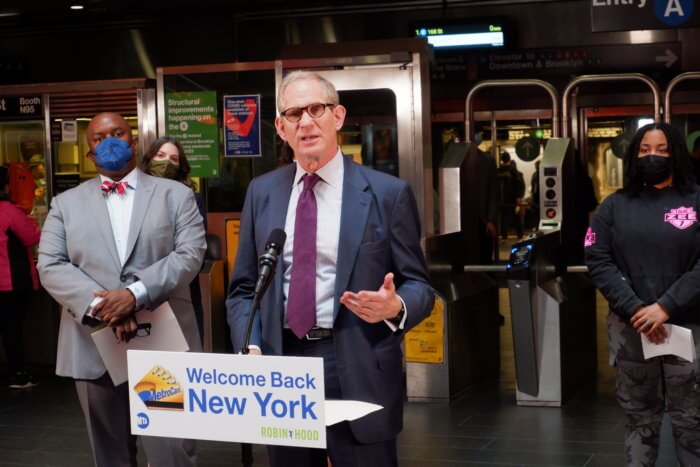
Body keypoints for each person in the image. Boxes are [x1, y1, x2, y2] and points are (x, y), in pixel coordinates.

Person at [226, 71, 434, 467]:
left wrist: (395, 307)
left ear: (337, 116)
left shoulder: (387, 194)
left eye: (316, 109)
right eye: (294, 114)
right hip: (281, 365)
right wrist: (250, 344)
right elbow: (244, 289)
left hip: (356, 361)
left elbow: (419, 285)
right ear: (281, 128)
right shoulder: (262, 192)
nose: (305, 122)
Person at [37, 112, 206, 467]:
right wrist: (105, 308)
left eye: (118, 133)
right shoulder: (65, 204)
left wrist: (134, 295)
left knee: (171, 453)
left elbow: (190, 254)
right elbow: (50, 264)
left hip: (163, 345)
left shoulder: (176, 195)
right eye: (99, 138)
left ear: (134, 142)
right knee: (110, 456)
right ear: (89, 153)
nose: (109, 142)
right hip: (92, 346)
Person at [585, 122, 700, 466]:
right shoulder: (614, 206)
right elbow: (597, 258)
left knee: (690, 420)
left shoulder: (696, 199)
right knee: (640, 420)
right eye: (645, 150)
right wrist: (636, 307)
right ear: (634, 156)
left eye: (662, 150)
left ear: (676, 153)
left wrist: (666, 306)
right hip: (631, 328)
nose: (653, 157)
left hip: (688, 326)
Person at [142, 136, 207, 343]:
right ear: (149, 159)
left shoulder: (192, 199)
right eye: (160, 156)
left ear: (180, 166)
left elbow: (193, 252)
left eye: (173, 159)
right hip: (139, 289)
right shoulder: (133, 197)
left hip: (180, 289)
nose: (166, 163)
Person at [0, 165, 41, 389]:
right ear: (7, 186)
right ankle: (18, 374)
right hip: (11, 281)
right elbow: (31, 237)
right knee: (12, 327)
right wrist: (33, 224)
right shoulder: (9, 210)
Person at [497, 151, 525, 239]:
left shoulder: (498, 171)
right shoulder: (514, 171)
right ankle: (520, 236)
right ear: (509, 159)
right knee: (516, 218)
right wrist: (519, 197)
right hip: (513, 198)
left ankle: (504, 236)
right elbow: (519, 185)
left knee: (503, 219)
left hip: (501, 199)